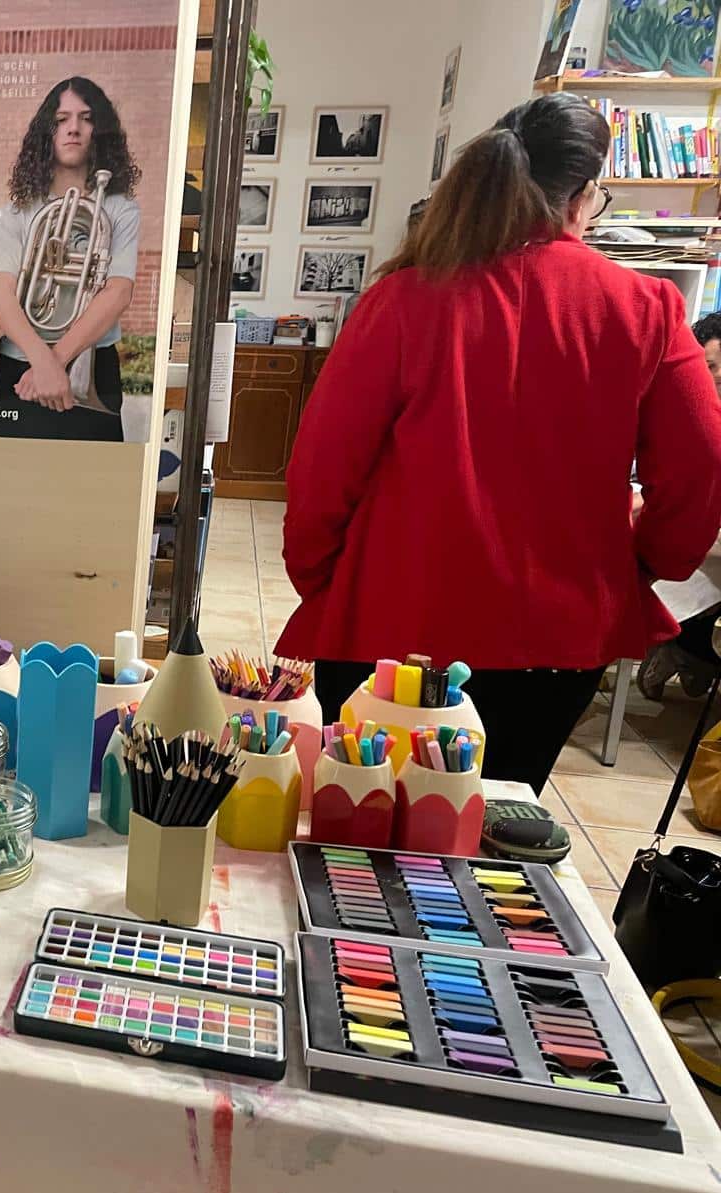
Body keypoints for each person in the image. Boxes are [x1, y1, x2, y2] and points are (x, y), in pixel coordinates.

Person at [277, 93, 721, 793]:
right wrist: (640, 565)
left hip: (392, 620)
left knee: (361, 823)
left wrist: (323, 578)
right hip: (557, 633)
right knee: (499, 825)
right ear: (581, 196)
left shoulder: (403, 300)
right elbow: (703, 469)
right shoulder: (647, 309)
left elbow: (322, 469)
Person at [0, 77, 142, 441]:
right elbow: (1, 295)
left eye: (86, 118)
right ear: (47, 131)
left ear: (99, 130)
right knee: (16, 473)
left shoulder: (121, 209)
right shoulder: (19, 211)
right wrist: (43, 362)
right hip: (22, 365)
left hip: (91, 364)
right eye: (61, 119)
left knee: (91, 475)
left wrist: (54, 361)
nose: (73, 128)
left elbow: (118, 293)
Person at [637, 310, 721, 700]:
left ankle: (686, 647)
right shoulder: (681, 410)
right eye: (711, 367)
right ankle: (684, 645)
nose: (717, 377)